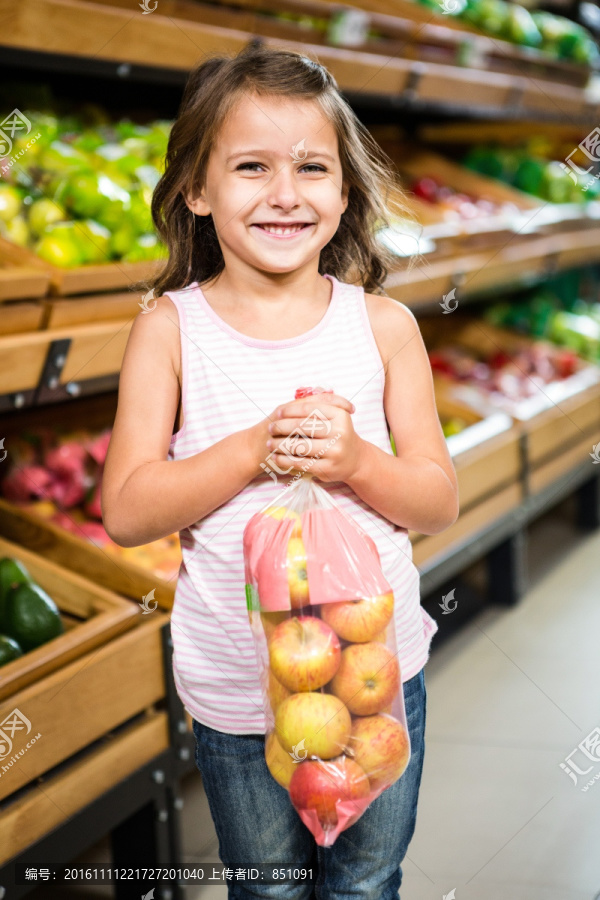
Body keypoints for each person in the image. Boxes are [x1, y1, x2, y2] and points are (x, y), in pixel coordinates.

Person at [102, 42, 458, 900]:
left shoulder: (382, 328)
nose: (286, 193)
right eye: (251, 167)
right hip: (236, 687)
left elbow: (437, 500)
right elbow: (125, 512)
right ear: (196, 189)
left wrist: (356, 461)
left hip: (376, 675)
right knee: (264, 885)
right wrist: (252, 448)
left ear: (345, 190)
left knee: (368, 878)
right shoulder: (170, 331)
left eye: (311, 167)